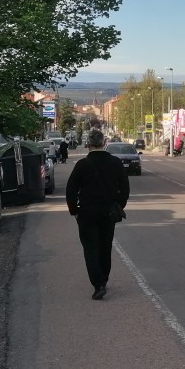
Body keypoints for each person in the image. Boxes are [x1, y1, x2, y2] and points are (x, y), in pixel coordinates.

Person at [65, 128, 129, 300]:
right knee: (105, 246)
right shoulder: (115, 163)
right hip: (108, 212)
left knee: (91, 248)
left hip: (87, 212)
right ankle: (104, 279)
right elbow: (125, 188)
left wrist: (75, 211)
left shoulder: (82, 165)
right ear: (104, 143)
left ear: (88, 145)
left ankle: (98, 283)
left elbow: (70, 190)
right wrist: (118, 205)